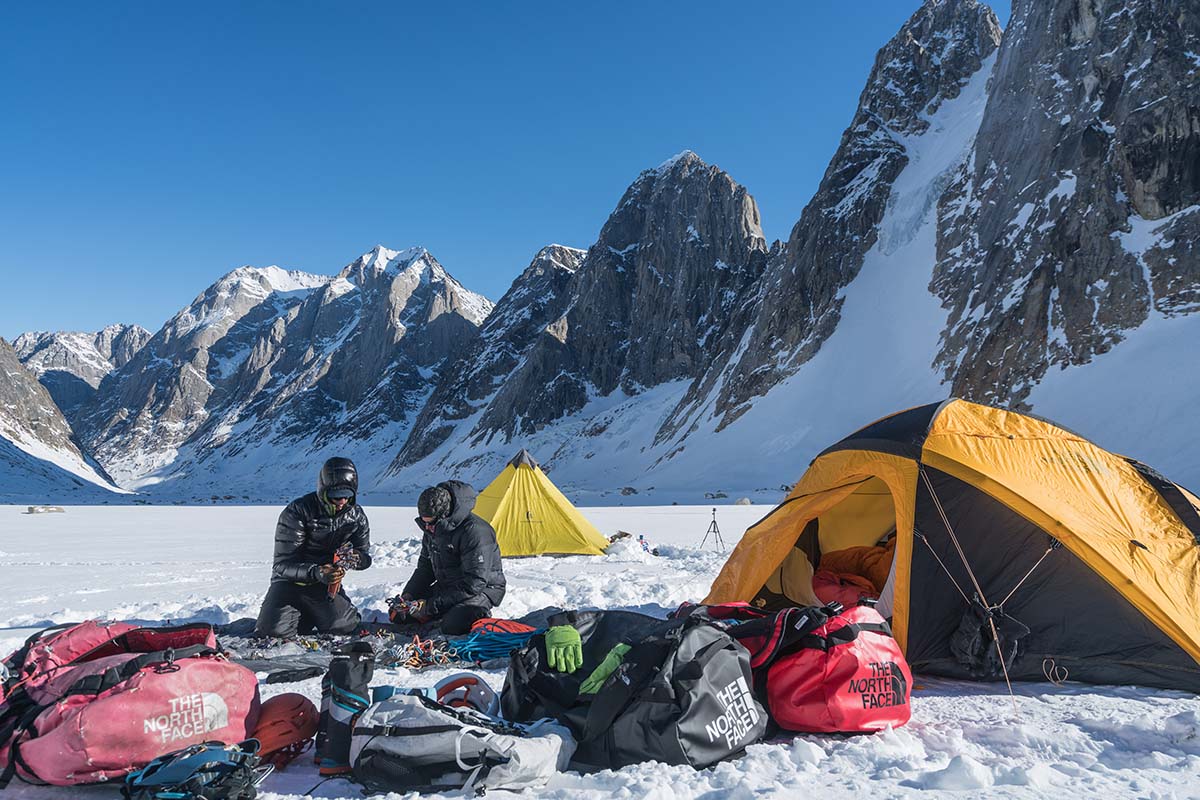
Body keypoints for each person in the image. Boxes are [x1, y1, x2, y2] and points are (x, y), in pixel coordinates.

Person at [254, 457, 372, 638]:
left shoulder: (357, 516)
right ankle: (305, 615)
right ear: (323, 491)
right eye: (335, 496)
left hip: (324, 586)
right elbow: (282, 565)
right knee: (272, 633)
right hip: (288, 584)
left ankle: (314, 615)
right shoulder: (298, 511)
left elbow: (365, 556)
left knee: (342, 627)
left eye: (347, 496)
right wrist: (317, 572)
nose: (341, 501)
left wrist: (356, 558)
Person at [390, 480, 506, 635]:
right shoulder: (432, 530)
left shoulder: (475, 532)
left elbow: (474, 583)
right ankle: (439, 614)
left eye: (431, 523)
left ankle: (477, 615)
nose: (427, 528)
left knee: (453, 625)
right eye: (425, 523)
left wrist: (429, 606)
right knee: (400, 615)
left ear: (445, 516)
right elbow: (425, 568)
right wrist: (409, 595)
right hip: (449, 586)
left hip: (481, 590)